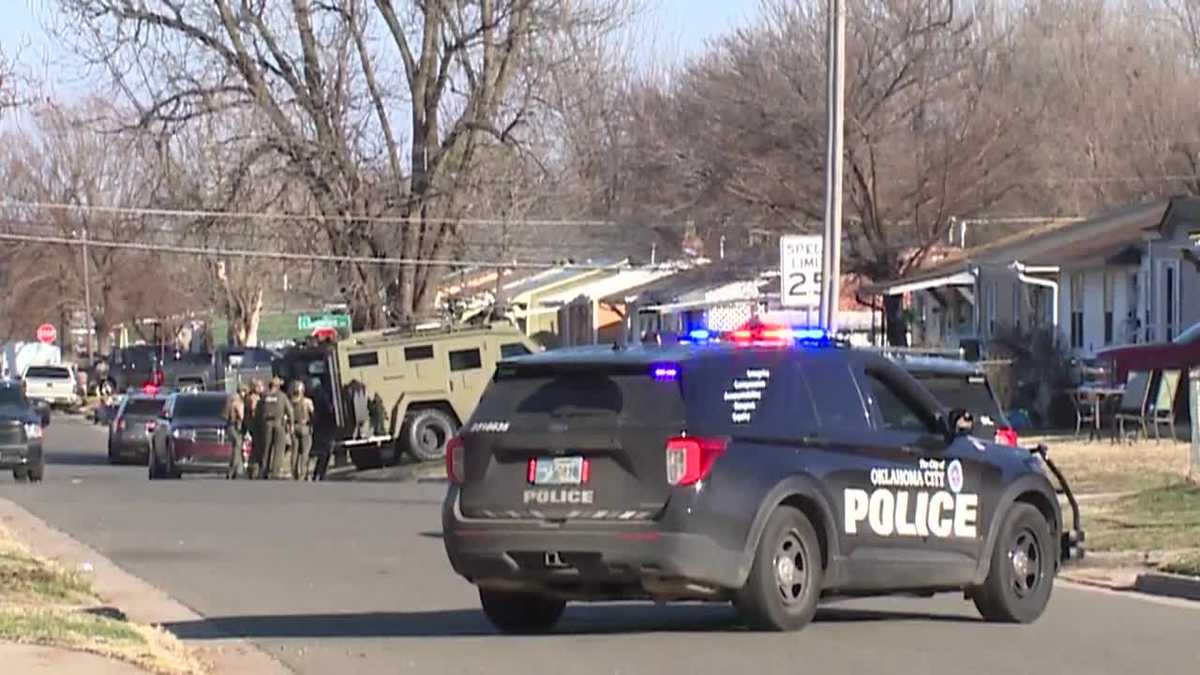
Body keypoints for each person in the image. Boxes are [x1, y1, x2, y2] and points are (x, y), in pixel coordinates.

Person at [258, 377, 294, 480]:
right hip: (279, 424)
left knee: (266, 449)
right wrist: (291, 424)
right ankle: (275, 471)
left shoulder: (264, 396)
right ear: (278, 386)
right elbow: (290, 411)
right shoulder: (282, 396)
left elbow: (259, 411)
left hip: (266, 424)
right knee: (279, 449)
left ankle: (264, 471)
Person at [289, 380, 315, 480]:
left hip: (294, 427)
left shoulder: (291, 402)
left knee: (294, 451)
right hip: (305, 427)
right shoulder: (307, 401)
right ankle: (303, 473)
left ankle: (294, 472)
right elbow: (313, 414)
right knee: (305, 451)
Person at [223, 387, 247, 479]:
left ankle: (238, 470)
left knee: (236, 447)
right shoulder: (237, 401)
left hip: (230, 426)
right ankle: (232, 470)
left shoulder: (230, 399)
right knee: (237, 446)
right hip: (235, 426)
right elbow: (241, 415)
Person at [245, 379, 266, 479]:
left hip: (253, 425)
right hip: (255, 426)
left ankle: (254, 469)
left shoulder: (252, 397)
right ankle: (254, 469)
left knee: (256, 447)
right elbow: (253, 411)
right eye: (260, 386)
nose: (263, 388)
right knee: (257, 447)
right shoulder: (254, 398)